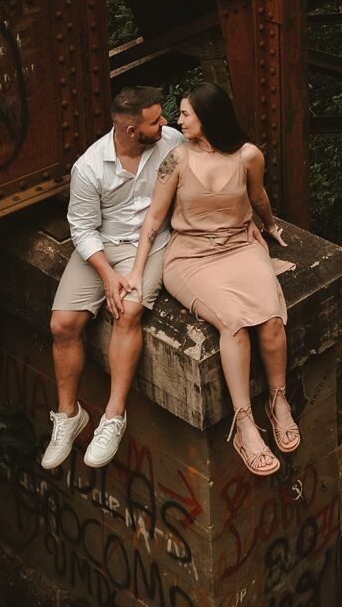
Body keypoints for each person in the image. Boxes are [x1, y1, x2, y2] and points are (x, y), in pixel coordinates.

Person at [122, 82, 298, 477]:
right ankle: (245, 425)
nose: (178, 120)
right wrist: (136, 269)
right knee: (233, 324)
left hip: (239, 246)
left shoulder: (248, 156)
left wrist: (268, 227)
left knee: (271, 319)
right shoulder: (176, 160)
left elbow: (258, 197)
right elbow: (154, 219)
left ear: (208, 117)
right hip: (190, 257)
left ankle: (278, 399)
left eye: (185, 114)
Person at [41, 85, 182, 472]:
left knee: (128, 312)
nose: (165, 123)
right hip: (103, 245)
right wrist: (106, 274)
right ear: (132, 130)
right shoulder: (89, 167)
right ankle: (68, 415)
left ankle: (113, 416)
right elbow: (82, 229)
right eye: (156, 120)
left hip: (152, 244)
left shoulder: (171, 142)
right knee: (62, 324)